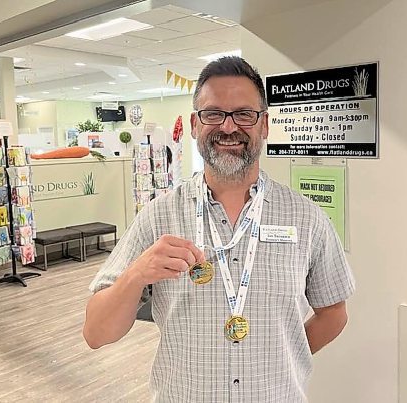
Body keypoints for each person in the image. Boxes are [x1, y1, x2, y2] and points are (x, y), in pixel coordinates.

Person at [83, 56, 355, 402]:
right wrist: (135, 275)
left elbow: (334, 313)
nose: (229, 128)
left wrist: (283, 358)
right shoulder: (158, 217)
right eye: (214, 114)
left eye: (244, 114)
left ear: (265, 125)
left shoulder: (307, 218)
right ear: (196, 125)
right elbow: (95, 333)